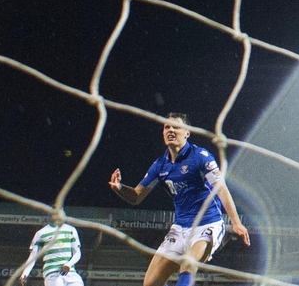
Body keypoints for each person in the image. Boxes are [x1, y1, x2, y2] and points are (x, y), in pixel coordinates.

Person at [107, 113, 250, 286]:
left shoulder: (200, 156)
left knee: (188, 264)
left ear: (187, 132)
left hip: (207, 224)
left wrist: (236, 222)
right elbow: (136, 197)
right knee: (150, 284)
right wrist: (119, 188)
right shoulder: (160, 165)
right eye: (167, 127)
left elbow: (221, 188)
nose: (171, 130)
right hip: (180, 227)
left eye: (176, 127)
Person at [19, 219, 84, 286]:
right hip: (52, 273)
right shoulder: (41, 233)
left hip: (70, 272)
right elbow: (33, 257)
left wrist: (68, 265)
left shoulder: (71, 230)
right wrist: (24, 274)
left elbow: (77, 253)